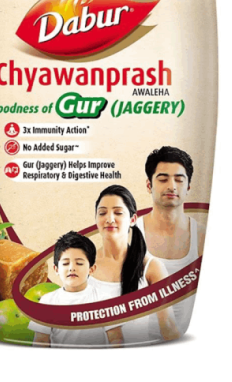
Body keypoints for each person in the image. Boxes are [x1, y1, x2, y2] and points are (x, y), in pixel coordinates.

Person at [89, 184, 180, 345]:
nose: (109, 219)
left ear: (132, 219)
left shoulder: (151, 267)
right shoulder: (83, 265)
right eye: (102, 213)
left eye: (118, 212)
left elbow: (167, 327)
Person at [137, 146, 206, 340]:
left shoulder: (202, 236)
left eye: (179, 179)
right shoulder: (129, 235)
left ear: (188, 186)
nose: (172, 186)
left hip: (181, 339)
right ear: (149, 185)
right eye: (163, 179)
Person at [29, 231, 123, 347]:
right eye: (65, 263)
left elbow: (116, 338)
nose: (72, 268)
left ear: (92, 269)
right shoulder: (47, 301)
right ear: (56, 269)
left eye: (79, 263)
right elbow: (41, 341)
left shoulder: (104, 300)